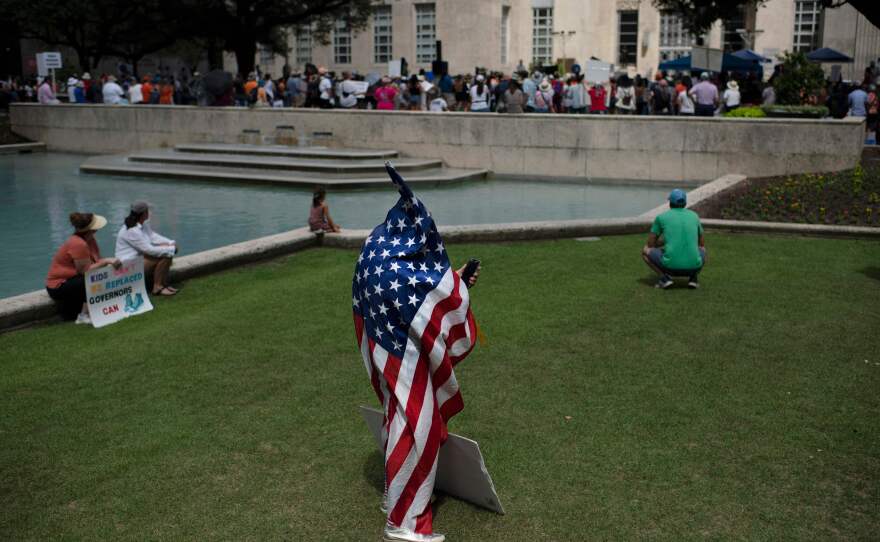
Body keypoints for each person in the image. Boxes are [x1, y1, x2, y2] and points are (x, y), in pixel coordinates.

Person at [353, 164, 480, 542]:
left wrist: (452, 277)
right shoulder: (399, 273)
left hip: (384, 352)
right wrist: (457, 287)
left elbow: (418, 294)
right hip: (405, 358)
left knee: (398, 419)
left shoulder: (375, 252)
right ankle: (404, 521)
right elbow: (437, 302)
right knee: (416, 426)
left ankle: (396, 496)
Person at [46, 212, 122, 324]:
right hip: (58, 285)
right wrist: (106, 261)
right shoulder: (78, 244)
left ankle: (91, 311)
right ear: (93, 230)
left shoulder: (89, 239)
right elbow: (84, 271)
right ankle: (83, 315)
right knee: (89, 279)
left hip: (71, 280)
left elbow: (96, 261)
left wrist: (108, 263)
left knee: (99, 275)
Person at [642, 189, 707, 289]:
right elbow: (702, 243)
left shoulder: (661, 217)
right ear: (685, 203)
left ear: (670, 203)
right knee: (703, 249)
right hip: (694, 267)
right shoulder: (694, 216)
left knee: (645, 250)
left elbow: (650, 244)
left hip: (670, 267)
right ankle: (693, 278)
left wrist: (663, 242)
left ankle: (664, 279)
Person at [115, 201, 179, 296]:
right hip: (127, 266)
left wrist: (170, 242)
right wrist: (171, 249)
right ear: (144, 213)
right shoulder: (132, 230)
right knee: (167, 255)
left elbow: (152, 236)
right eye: (148, 211)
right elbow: (148, 250)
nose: (150, 212)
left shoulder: (143, 224)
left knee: (167, 252)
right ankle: (157, 287)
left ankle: (163, 284)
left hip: (137, 259)